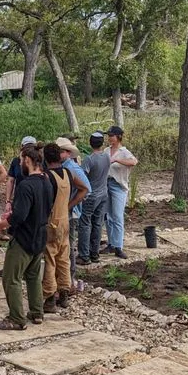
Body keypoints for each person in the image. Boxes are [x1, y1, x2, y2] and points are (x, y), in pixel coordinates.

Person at [0, 146, 53, 330]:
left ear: (27, 160)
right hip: (40, 236)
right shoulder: (46, 181)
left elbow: (18, 217)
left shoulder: (26, 185)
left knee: (11, 278)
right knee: (32, 276)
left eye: (20, 159)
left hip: (24, 239)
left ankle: (16, 319)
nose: (19, 163)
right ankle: (37, 312)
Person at [41, 143, 78, 312]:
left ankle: (49, 298)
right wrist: (69, 205)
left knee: (50, 258)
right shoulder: (68, 173)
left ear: (45, 158)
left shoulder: (47, 176)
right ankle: (64, 293)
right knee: (64, 257)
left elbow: (45, 202)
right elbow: (84, 189)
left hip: (52, 222)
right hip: (65, 219)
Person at [56, 136, 91, 297]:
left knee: (68, 247)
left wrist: (69, 205)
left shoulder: (72, 168)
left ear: (68, 153)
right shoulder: (62, 166)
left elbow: (86, 189)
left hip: (71, 213)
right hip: (64, 212)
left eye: (60, 151)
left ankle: (70, 280)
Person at [78, 132, 111, 264]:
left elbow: (82, 177)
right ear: (102, 143)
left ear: (90, 143)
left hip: (91, 196)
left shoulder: (89, 159)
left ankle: (84, 255)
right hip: (103, 194)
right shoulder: (107, 157)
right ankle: (94, 254)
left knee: (85, 224)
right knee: (97, 224)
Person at [105, 126, 137, 259]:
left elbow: (134, 162)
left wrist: (117, 160)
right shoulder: (106, 150)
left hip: (118, 185)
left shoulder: (124, 152)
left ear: (118, 137)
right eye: (109, 135)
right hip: (106, 184)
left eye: (112, 135)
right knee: (108, 216)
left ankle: (119, 246)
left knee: (117, 216)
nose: (109, 138)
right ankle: (111, 243)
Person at [5, 136, 37, 209]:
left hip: (35, 200)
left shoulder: (39, 162)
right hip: (19, 199)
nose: (29, 149)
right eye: (27, 147)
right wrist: (8, 201)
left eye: (31, 147)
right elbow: (11, 181)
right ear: (22, 147)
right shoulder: (16, 161)